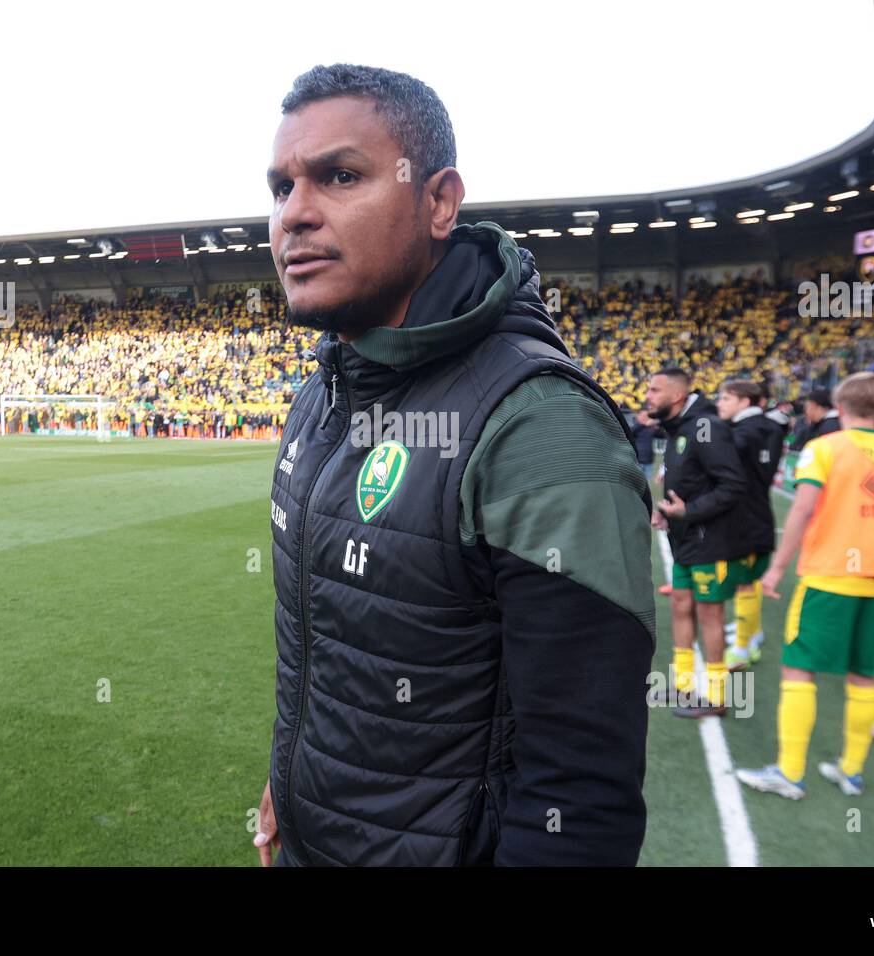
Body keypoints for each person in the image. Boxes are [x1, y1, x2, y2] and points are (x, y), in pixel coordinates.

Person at [254, 64, 655, 867]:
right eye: (280, 186)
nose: (294, 214)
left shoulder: (542, 430)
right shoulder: (327, 388)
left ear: (439, 202)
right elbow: (337, 656)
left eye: (339, 176)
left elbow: (578, 800)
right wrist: (294, 784)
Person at [737, 372, 874, 800]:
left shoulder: (824, 448)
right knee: (863, 676)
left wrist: (776, 569)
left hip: (828, 576)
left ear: (840, 407)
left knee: (798, 669)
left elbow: (802, 512)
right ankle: (851, 771)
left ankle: (789, 772)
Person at [646, 366, 748, 718]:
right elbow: (690, 483)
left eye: (655, 390)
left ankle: (717, 696)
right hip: (685, 539)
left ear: (676, 396)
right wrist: (666, 510)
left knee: (710, 615)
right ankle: (684, 683)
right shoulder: (680, 428)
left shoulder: (707, 427)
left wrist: (688, 511)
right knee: (680, 606)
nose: (648, 396)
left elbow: (733, 485)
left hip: (711, 541)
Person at [716, 379, 783, 671]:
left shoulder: (745, 431)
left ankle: (742, 647)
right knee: (749, 582)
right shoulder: (768, 426)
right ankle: (750, 637)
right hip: (757, 516)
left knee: (745, 584)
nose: (720, 403)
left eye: (727, 398)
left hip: (746, 518)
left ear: (745, 401)